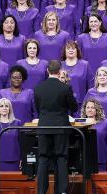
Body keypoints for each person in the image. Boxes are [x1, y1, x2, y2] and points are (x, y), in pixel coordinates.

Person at [34, 59, 78, 194]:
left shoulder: (38, 88)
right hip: (61, 128)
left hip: (43, 127)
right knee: (61, 158)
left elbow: (38, 108)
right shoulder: (65, 88)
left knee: (43, 158)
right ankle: (62, 191)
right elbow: (74, 107)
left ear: (47, 71)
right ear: (59, 72)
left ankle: (41, 191)